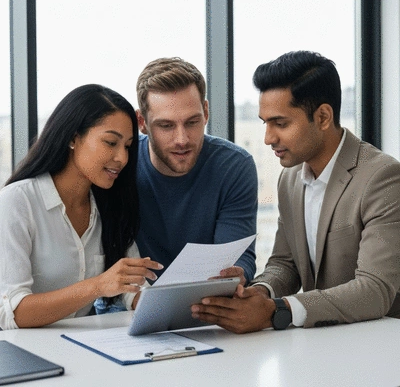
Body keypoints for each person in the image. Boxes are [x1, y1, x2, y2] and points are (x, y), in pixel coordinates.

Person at [191, 50, 400, 332]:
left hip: (377, 345)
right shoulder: (290, 179)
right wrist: (261, 291)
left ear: (323, 117)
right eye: (265, 123)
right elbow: (284, 264)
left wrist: (279, 310)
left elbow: (375, 290)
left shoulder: (382, 177)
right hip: (318, 344)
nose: (268, 138)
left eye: (281, 123)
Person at [0, 84, 163, 330]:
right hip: (23, 356)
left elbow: (133, 289)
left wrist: (187, 302)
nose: (122, 158)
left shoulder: (110, 205)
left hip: (80, 350)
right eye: (111, 142)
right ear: (73, 138)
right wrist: (98, 285)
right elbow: (14, 313)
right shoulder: (16, 201)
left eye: (128, 146)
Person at [134, 57, 258, 289]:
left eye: (192, 122)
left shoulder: (234, 166)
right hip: (130, 305)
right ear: (142, 122)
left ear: (206, 112)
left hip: (208, 302)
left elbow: (239, 256)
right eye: (166, 126)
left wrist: (237, 273)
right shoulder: (122, 166)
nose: (182, 140)